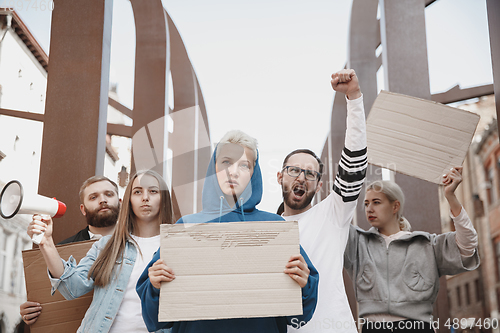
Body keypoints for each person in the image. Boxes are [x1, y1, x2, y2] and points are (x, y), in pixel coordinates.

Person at [136, 130, 319, 333]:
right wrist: (154, 286)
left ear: (253, 173)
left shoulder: (275, 227)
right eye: (226, 162)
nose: (233, 171)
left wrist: (304, 284)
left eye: (244, 165)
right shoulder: (185, 227)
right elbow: (155, 321)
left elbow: (299, 317)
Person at [27, 170, 174, 333]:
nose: (145, 197)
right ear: (128, 201)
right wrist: (46, 242)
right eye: (137, 192)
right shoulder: (107, 245)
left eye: (153, 191)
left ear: (164, 199)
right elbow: (72, 287)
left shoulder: (177, 247)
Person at [277, 69, 367, 333]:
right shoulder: (265, 229)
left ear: (318, 185)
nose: (302, 178)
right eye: (294, 170)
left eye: (310, 173)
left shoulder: (333, 214)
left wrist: (354, 97)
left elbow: (354, 162)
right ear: (280, 177)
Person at [344, 168, 480, 332]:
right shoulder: (357, 243)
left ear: (395, 207)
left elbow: (467, 245)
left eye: (376, 202)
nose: (369, 208)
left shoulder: (426, 244)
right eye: (366, 204)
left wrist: (450, 196)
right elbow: (333, 219)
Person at [20, 175, 121, 327]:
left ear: (120, 203)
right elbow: (46, 295)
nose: (102, 200)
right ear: (83, 209)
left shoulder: (139, 244)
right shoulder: (57, 251)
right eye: (93, 197)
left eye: (108, 194)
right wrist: (28, 311)